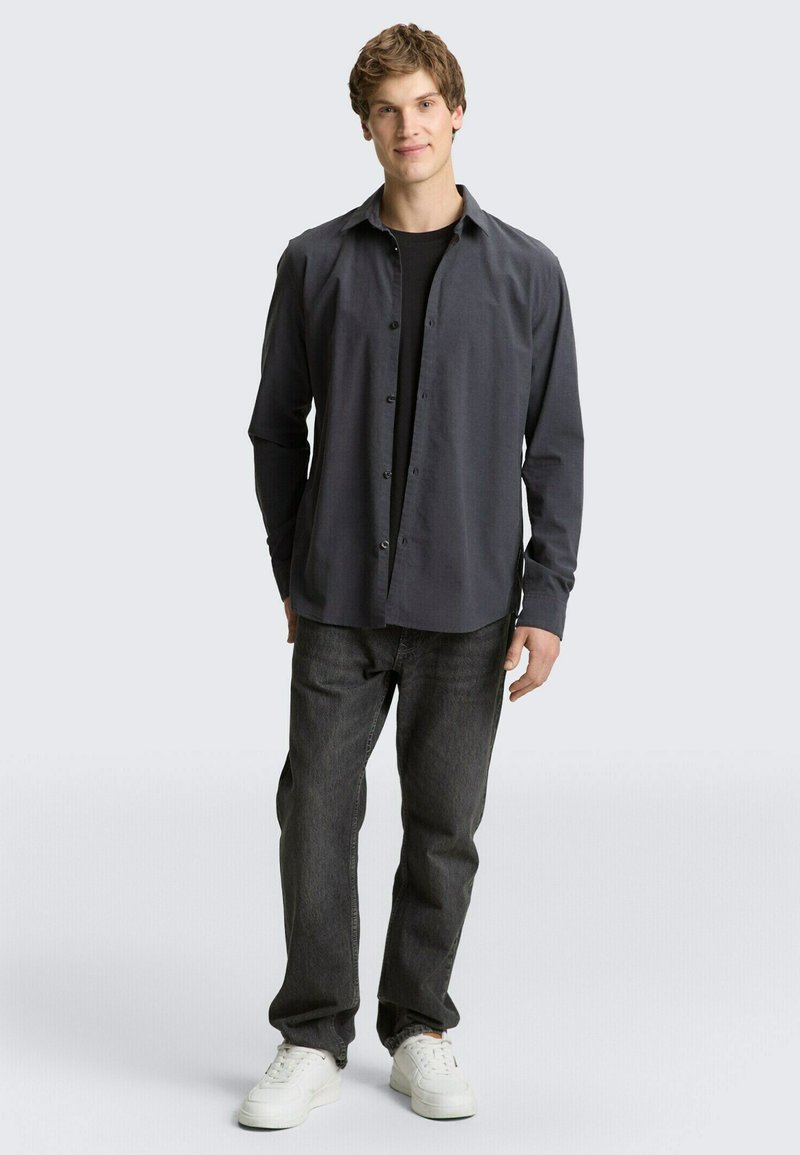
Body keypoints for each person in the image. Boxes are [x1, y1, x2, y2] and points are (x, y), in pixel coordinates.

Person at [238, 21, 584, 1129]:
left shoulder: (528, 272)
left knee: (443, 825)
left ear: (456, 112)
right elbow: (274, 428)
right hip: (337, 600)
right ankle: (311, 1034)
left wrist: (545, 599)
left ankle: (418, 1027)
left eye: (425, 104)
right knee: (314, 814)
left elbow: (555, 447)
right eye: (386, 109)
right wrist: (292, 565)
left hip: (470, 605)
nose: (408, 126)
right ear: (365, 126)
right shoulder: (313, 263)